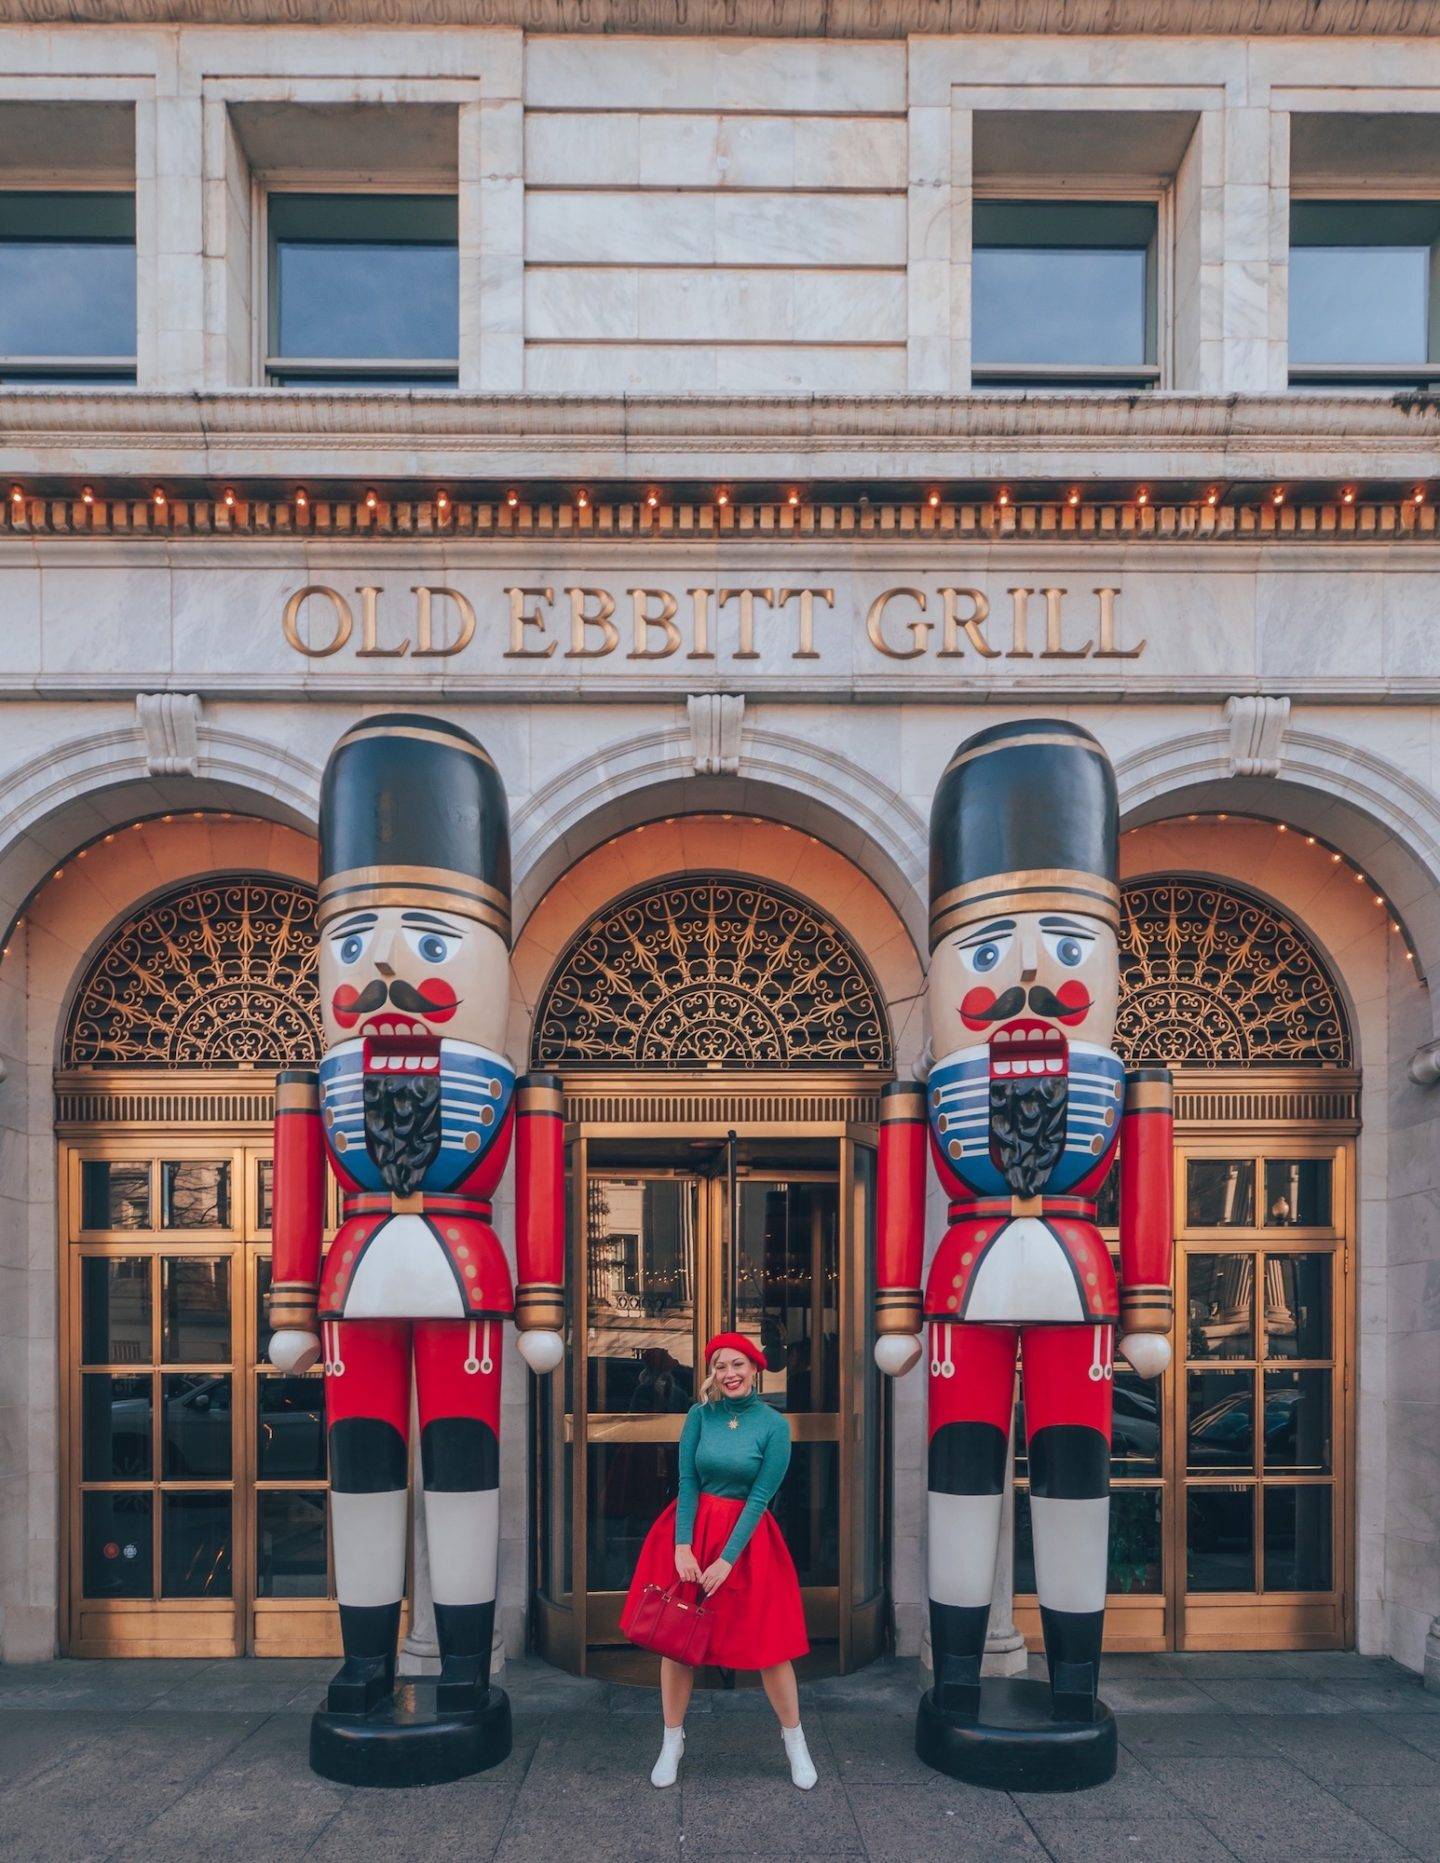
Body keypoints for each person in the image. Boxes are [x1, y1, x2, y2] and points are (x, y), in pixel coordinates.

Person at [621, 1331, 815, 1791]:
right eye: (721, 1366)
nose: (729, 1374)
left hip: (747, 1543)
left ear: (755, 1369)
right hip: (692, 1532)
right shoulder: (699, 1416)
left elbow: (761, 1497)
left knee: (771, 1647)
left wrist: (728, 1560)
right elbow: (687, 1481)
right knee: (677, 1640)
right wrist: (682, 1546)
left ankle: (795, 1743)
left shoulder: (773, 1426)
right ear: (713, 1372)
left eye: (738, 1365)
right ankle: (672, 1741)